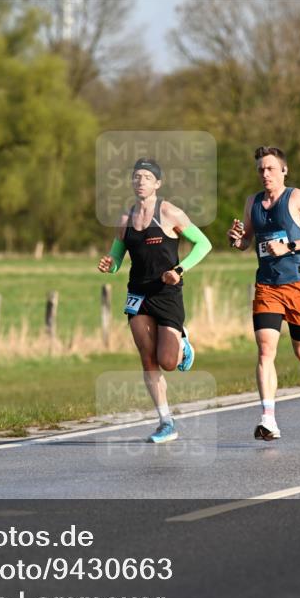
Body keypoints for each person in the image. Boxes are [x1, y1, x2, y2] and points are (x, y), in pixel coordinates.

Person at [98, 158, 213, 443]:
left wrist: (179, 270)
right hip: (138, 293)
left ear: (157, 184)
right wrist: (109, 264)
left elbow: (204, 244)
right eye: (137, 176)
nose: (140, 181)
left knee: (168, 361)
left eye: (147, 177)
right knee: (147, 358)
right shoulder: (125, 221)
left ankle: (182, 342)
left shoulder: (169, 212)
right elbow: (116, 260)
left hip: (167, 292)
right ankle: (166, 422)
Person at [227, 146, 300, 441]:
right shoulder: (253, 203)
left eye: (271, 168)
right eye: (261, 169)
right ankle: (268, 420)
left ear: (284, 170)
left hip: (298, 284)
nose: (265, 174)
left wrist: (291, 246)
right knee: (265, 351)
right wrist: (236, 240)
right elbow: (247, 240)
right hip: (267, 286)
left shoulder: (298, 198)